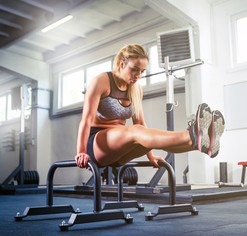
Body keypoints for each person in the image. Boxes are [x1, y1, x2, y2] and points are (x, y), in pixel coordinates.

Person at [75, 44, 225, 170]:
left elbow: (140, 124)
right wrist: (81, 152)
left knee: (146, 136)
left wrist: (150, 155)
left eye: (142, 71)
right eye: (134, 69)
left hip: (119, 150)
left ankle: (202, 143)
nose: (138, 75)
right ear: (122, 64)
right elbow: (86, 120)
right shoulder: (101, 81)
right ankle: (192, 133)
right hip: (96, 145)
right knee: (136, 132)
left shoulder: (136, 89)